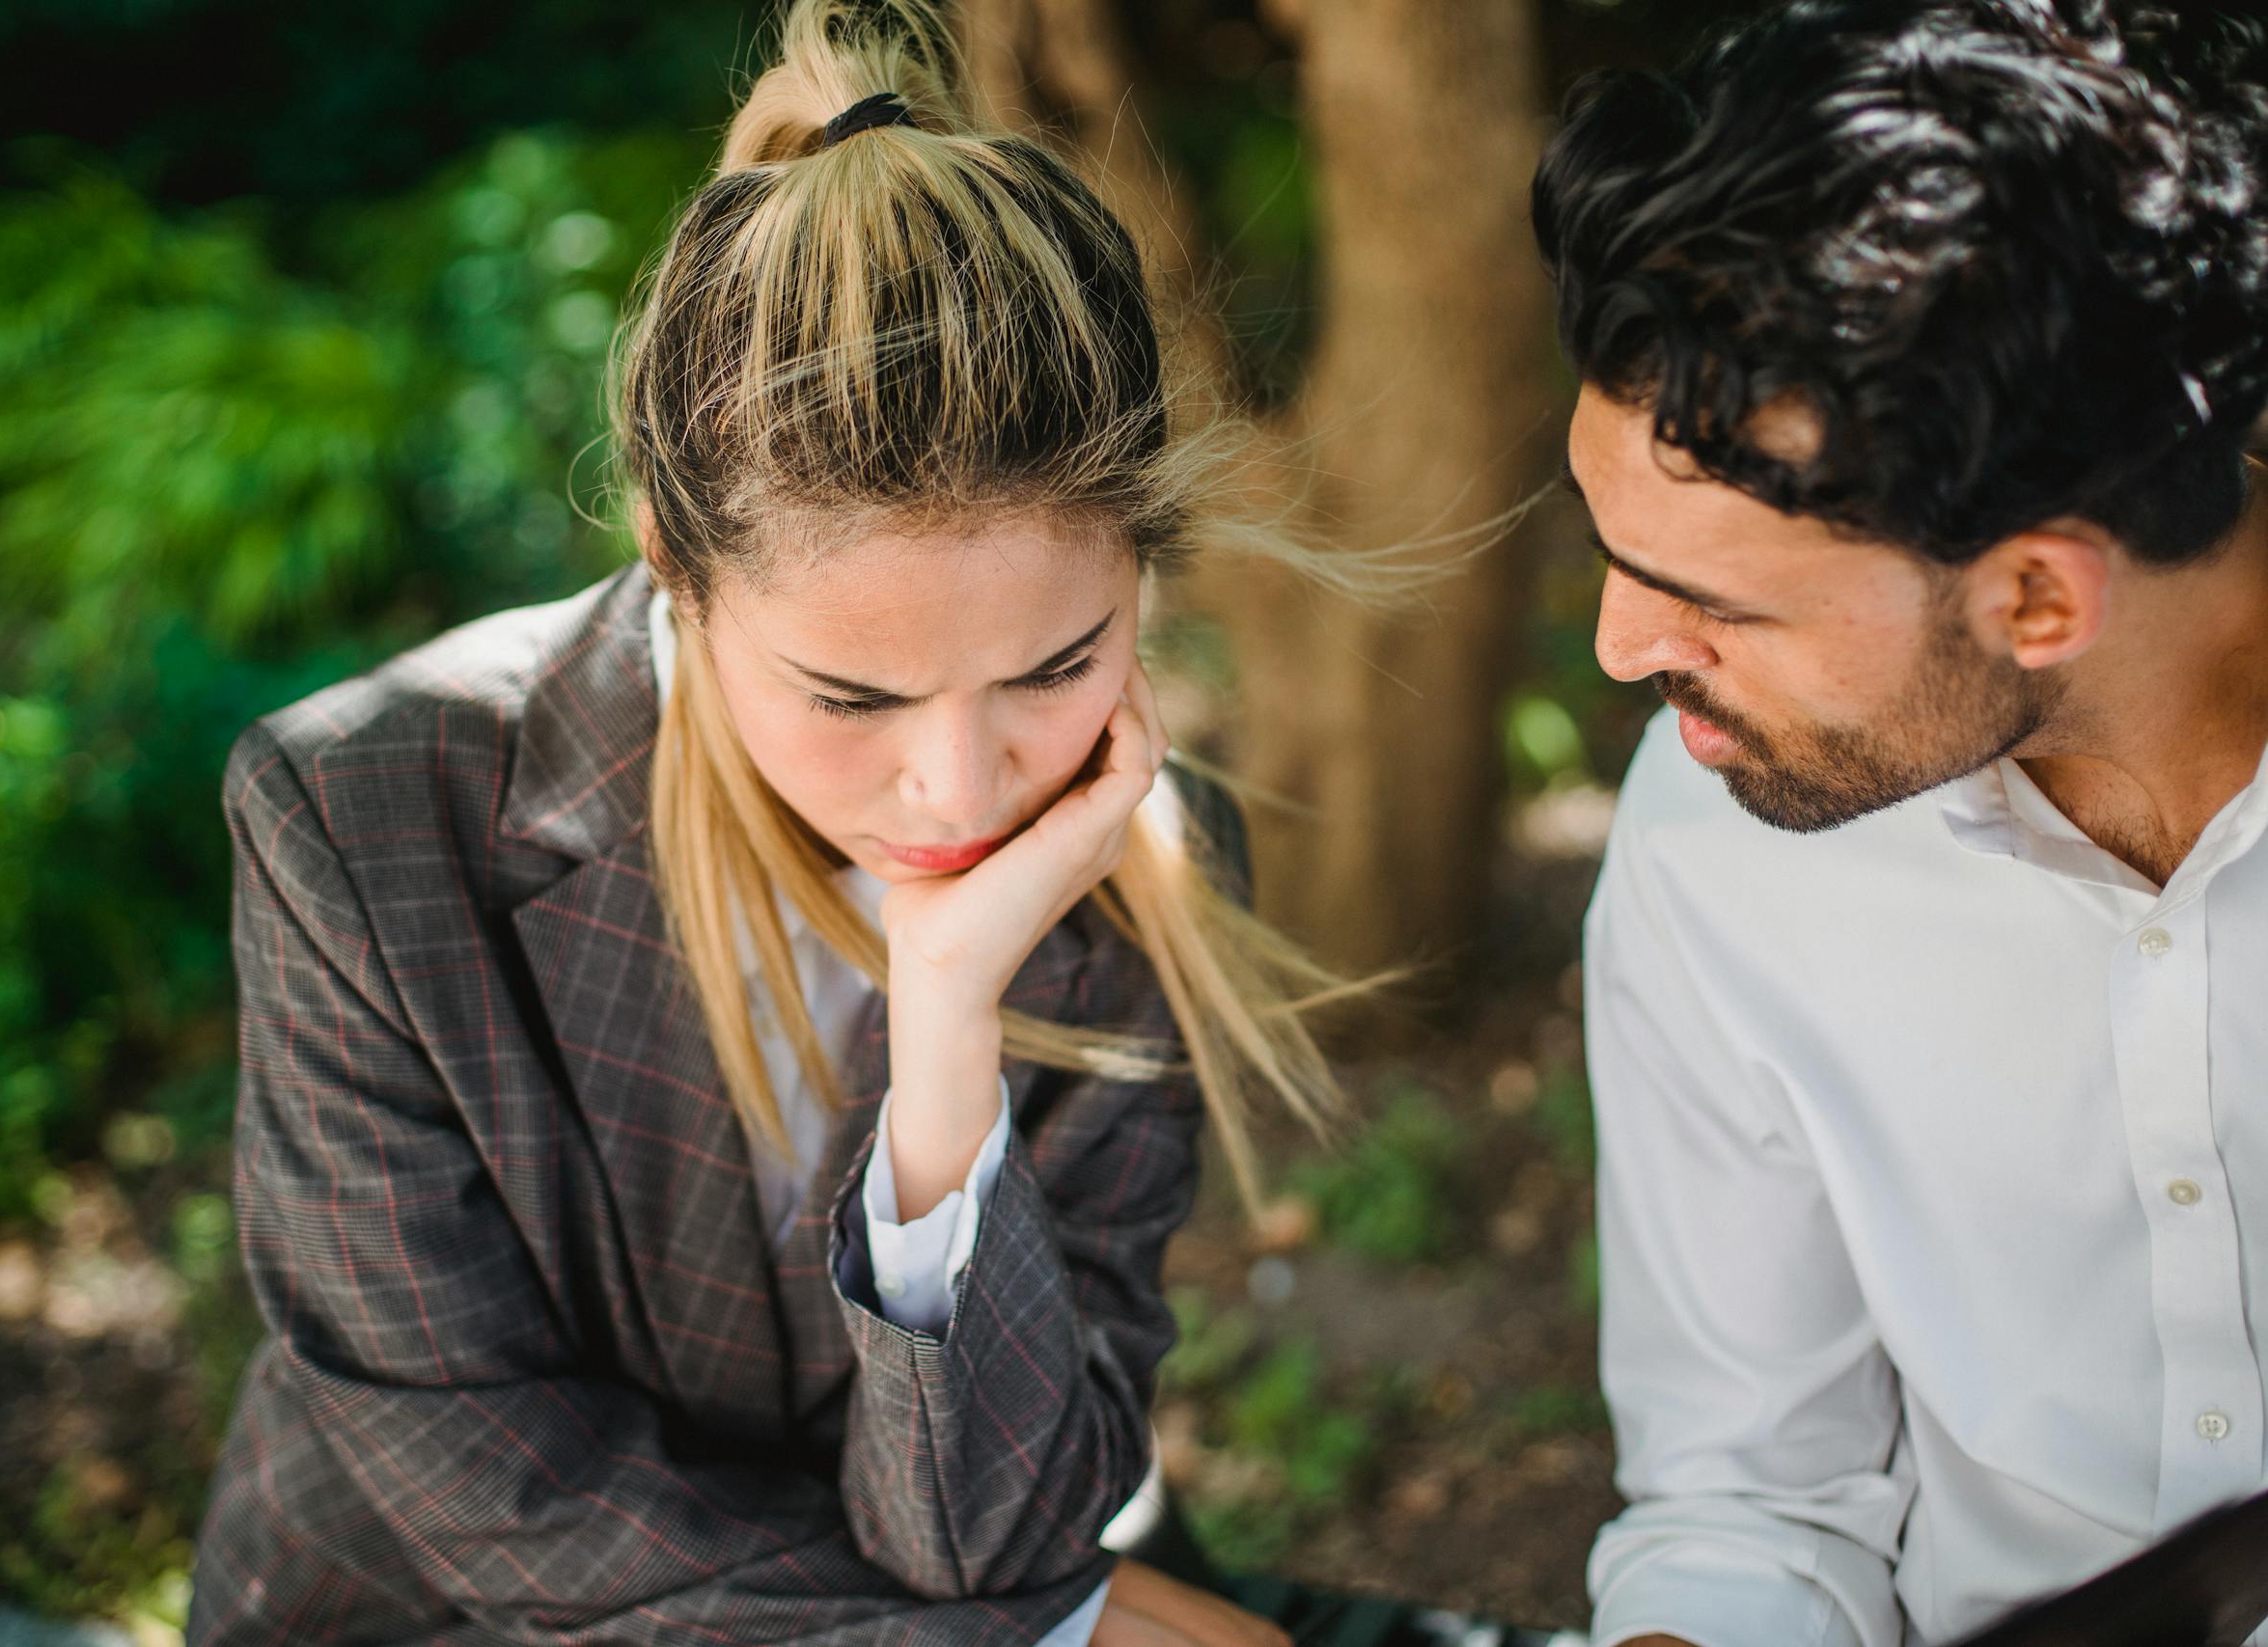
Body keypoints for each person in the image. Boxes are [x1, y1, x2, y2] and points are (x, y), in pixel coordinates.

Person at [183, 3, 1375, 1641]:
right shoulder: (365, 819)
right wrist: (1051, 1640)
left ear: (1145, 570)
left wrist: (947, 1049)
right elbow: (467, 1470)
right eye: (854, 699)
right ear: (677, 564)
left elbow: (998, 1535)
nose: (961, 791)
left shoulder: (1147, 861)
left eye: (1057, 666)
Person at [1531, 2, 2268, 1643]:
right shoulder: (1713, 832)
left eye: (1710, 598)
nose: (1625, 650)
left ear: (2035, 594)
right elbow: (1751, 1499)